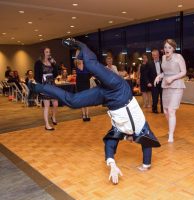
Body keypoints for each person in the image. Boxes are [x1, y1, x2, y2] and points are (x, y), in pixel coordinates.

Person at [29, 38, 161, 184]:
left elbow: (110, 145)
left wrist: (112, 164)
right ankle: (81, 45)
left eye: (128, 140)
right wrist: (146, 164)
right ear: (136, 136)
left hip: (108, 98)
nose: (130, 141)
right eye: (133, 140)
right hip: (119, 89)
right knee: (91, 65)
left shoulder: (118, 129)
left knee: (73, 102)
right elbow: (148, 143)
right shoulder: (141, 127)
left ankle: (40, 88)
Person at [154, 39, 186, 143]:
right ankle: (170, 128)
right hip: (166, 86)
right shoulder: (163, 57)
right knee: (166, 111)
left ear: (173, 48)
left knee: (172, 110)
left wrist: (172, 78)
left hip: (176, 85)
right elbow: (166, 72)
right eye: (165, 47)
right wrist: (159, 76)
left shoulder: (178, 57)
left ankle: (171, 134)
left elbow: (183, 72)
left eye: (169, 47)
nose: (167, 49)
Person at [34, 47, 58, 131]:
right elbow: (36, 76)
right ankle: (47, 125)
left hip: (52, 84)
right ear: (43, 53)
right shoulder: (38, 63)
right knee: (47, 105)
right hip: (45, 86)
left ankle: (53, 117)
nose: (49, 53)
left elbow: (55, 74)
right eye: (47, 52)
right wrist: (40, 87)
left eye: (49, 52)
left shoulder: (51, 62)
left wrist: (54, 64)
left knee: (55, 103)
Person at [75, 54, 91, 122]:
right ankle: (83, 114)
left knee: (87, 99)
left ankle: (87, 114)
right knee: (82, 99)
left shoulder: (86, 64)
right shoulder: (77, 63)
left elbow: (90, 73)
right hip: (80, 83)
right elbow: (80, 67)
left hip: (86, 82)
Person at [148, 49, 163, 113]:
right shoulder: (149, 64)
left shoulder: (163, 62)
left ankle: (163, 109)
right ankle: (154, 109)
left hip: (163, 82)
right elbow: (146, 74)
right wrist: (148, 82)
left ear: (159, 55)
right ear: (152, 56)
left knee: (163, 97)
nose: (155, 56)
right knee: (155, 97)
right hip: (154, 83)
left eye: (156, 55)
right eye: (154, 55)